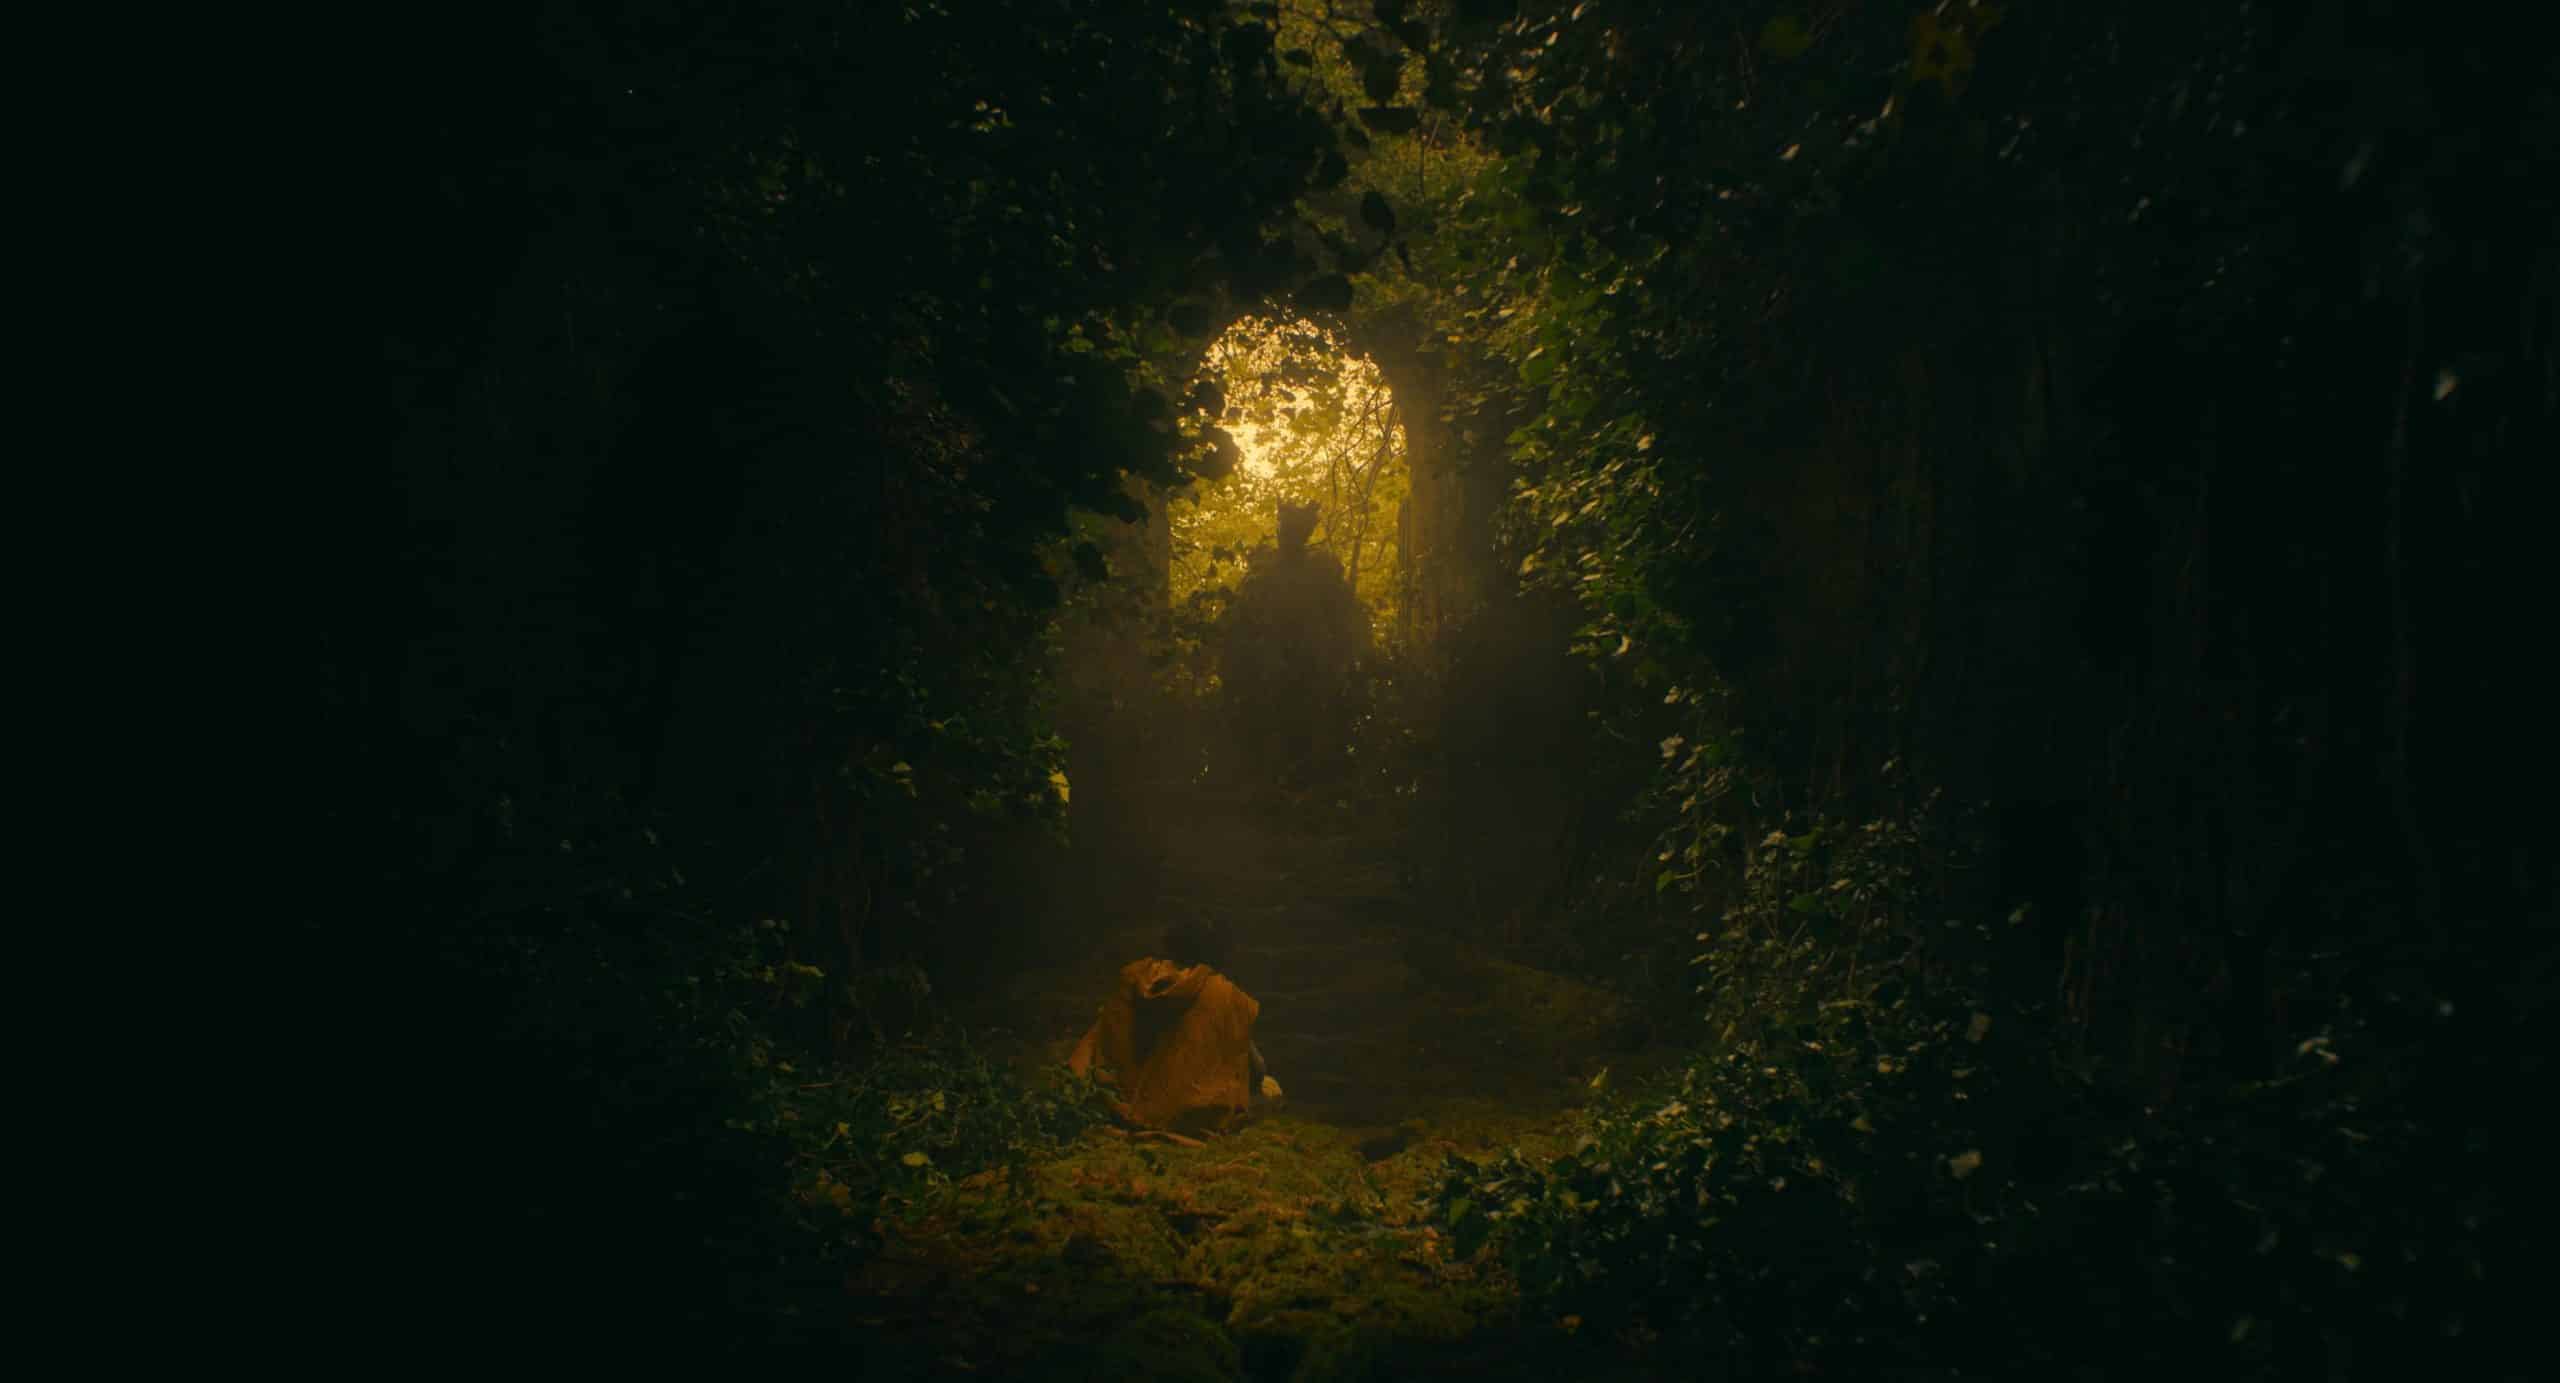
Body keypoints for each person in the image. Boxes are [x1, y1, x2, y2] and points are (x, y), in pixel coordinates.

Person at [1067, 919, 1279, 1135]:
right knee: (1269, 1090)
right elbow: (1257, 1068)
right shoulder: (1224, 994)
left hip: (1112, 1104)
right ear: (1221, 954)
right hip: (1186, 1115)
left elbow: (1095, 1046)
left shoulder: (1133, 977)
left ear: (1169, 944)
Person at [1213, 500, 1366, 789]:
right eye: (1285, 528)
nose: (1288, 535)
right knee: (1276, 732)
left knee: (1309, 730)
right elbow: (1239, 620)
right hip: (1271, 666)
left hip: (1311, 664)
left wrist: (1347, 658)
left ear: (1304, 533)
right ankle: (1277, 788)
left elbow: (1346, 618)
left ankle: (1307, 788)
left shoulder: (1321, 571)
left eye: (1295, 530)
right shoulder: (1264, 570)